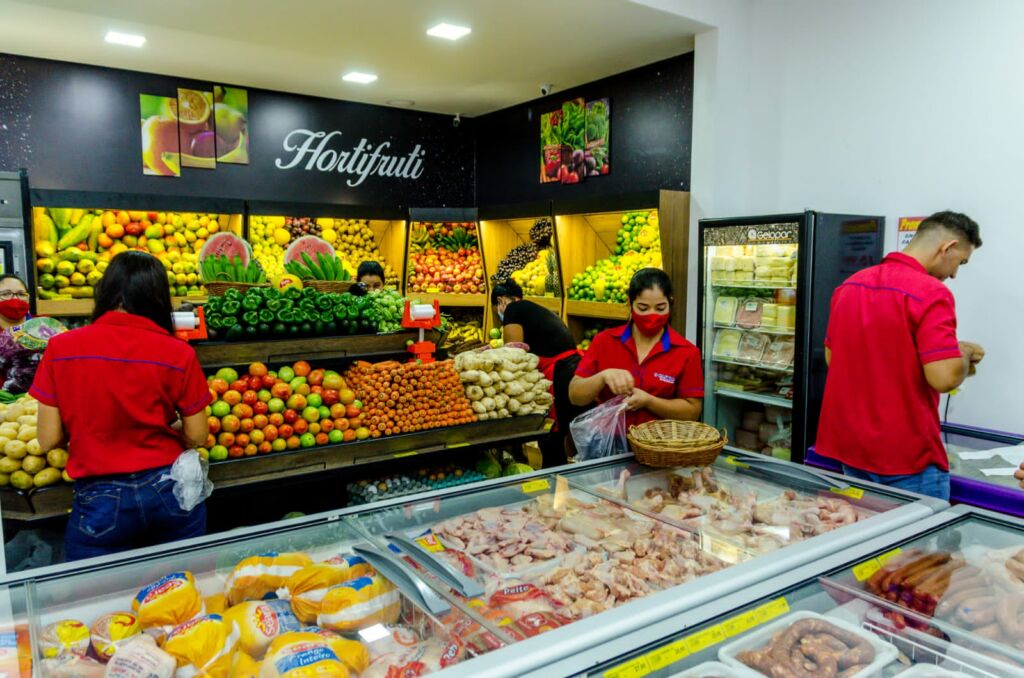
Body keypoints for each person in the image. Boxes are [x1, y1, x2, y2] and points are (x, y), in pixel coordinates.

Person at [30, 251, 212, 561]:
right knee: (184, 592)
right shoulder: (178, 352)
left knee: (95, 600)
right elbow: (197, 436)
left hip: (99, 497)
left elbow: (48, 439)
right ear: (158, 297)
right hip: (169, 488)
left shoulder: (61, 348)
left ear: (105, 291)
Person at [816, 211, 985, 500]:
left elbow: (835, 359)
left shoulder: (850, 285)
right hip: (907, 458)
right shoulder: (931, 292)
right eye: (960, 262)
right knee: (917, 545)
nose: (954, 274)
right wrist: (962, 352)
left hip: (852, 452)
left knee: (872, 541)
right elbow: (944, 378)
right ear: (946, 248)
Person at [569, 268, 703, 427]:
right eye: (643, 308)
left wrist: (649, 401)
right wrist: (602, 377)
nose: (652, 315)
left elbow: (692, 412)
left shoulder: (686, 352)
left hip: (656, 446)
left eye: (660, 308)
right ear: (629, 303)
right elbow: (575, 395)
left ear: (670, 303)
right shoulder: (604, 341)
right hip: (608, 444)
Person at [491, 279, 583, 467]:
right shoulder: (533, 309)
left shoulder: (512, 309)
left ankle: (551, 489)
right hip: (573, 371)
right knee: (565, 437)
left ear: (501, 301)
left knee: (550, 438)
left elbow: (513, 353)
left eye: (496, 309)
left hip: (558, 374)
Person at [0, 275, 37, 393]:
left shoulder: (45, 326)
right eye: (6, 294)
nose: (15, 299)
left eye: (21, 294)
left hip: (39, 400)